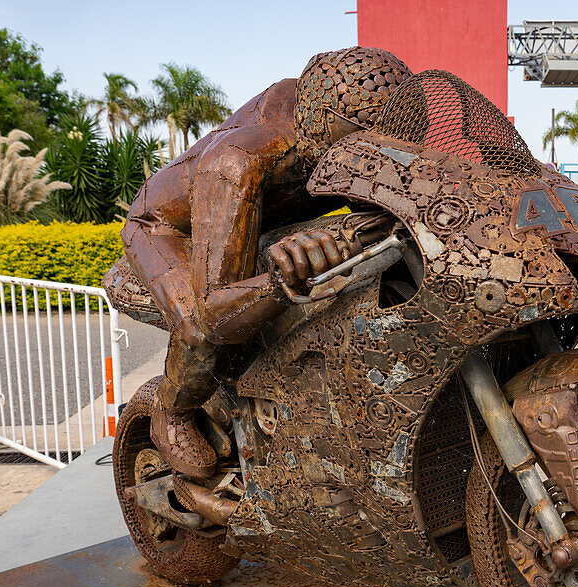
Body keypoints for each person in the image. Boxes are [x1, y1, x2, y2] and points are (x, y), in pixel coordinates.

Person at [107, 47, 411, 479]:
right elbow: (214, 311)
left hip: (259, 220)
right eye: (359, 140)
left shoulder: (341, 128)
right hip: (170, 232)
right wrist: (276, 283)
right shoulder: (238, 162)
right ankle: (172, 411)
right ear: (323, 123)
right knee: (199, 324)